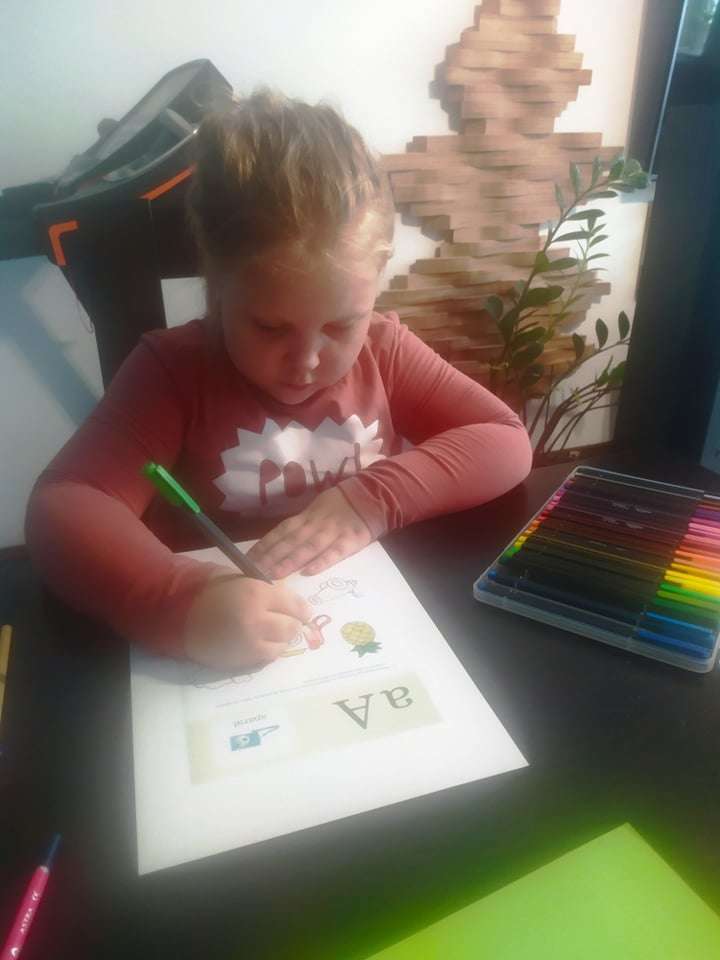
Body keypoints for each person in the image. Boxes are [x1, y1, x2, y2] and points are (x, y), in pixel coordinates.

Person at [25, 89, 532, 671]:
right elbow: (65, 505)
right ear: (216, 284)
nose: (307, 361)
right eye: (269, 327)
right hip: (225, 638)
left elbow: (504, 439)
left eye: (341, 325)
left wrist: (373, 500)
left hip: (373, 621)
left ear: (377, 278)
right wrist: (179, 603)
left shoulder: (384, 350)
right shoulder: (172, 372)